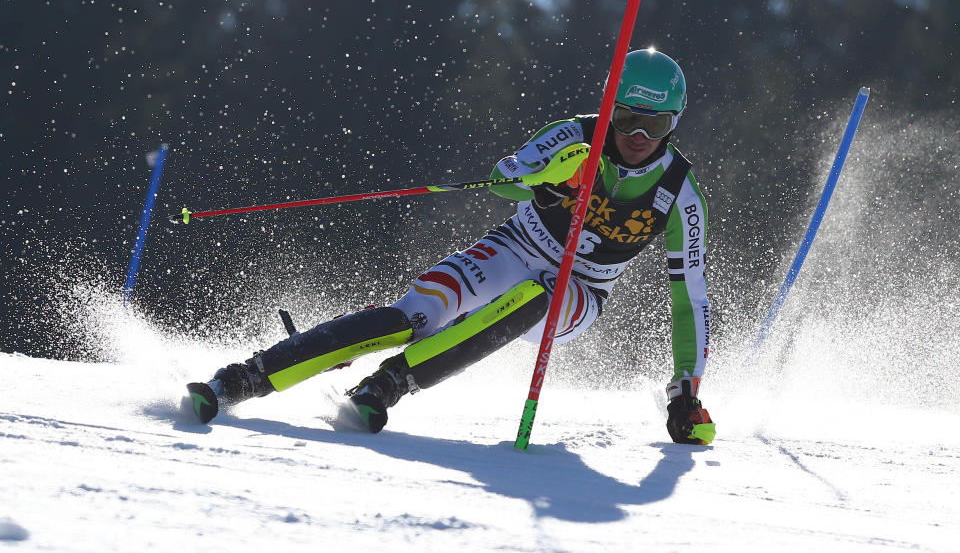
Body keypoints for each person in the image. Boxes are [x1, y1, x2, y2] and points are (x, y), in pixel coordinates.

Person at [186, 48, 715, 446]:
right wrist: (545, 181)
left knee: (540, 297)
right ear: (611, 108)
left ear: (674, 124)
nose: (638, 136)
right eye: (627, 119)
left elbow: (689, 300)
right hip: (515, 245)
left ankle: (391, 381)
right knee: (411, 316)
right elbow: (501, 178)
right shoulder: (575, 136)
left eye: (655, 124)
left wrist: (685, 390)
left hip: (579, 288)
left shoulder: (682, 198)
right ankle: (244, 378)